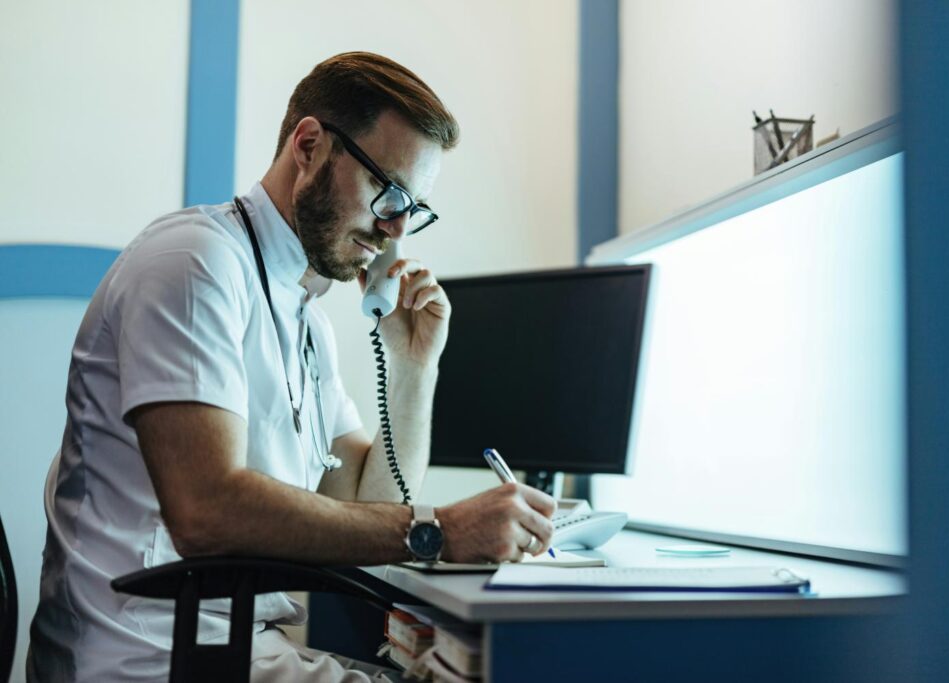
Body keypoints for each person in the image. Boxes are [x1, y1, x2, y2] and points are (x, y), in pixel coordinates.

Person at [27, 51, 555, 682]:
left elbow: (369, 497)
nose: (395, 231)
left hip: (231, 652)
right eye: (388, 193)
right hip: (147, 660)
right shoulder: (195, 264)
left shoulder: (303, 313)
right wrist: (436, 530)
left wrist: (412, 366)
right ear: (309, 145)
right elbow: (206, 509)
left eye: (412, 208)